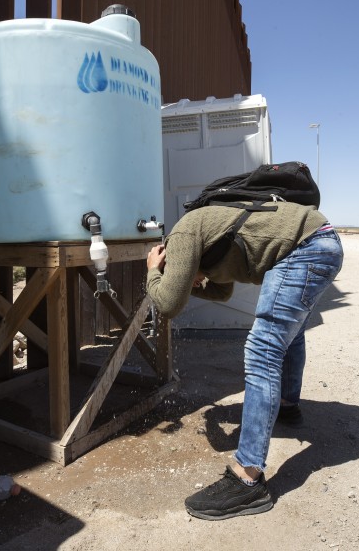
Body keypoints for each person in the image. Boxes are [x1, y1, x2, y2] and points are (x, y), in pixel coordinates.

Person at [145, 200, 343, 520]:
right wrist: (185, 283)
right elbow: (220, 294)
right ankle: (288, 407)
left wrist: (153, 272)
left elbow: (167, 303)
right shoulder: (207, 248)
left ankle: (247, 479)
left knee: (262, 349)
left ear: (176, 262)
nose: (193, 282)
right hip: (319, 241)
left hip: (305, 248)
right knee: (289, 335)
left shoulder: (181, 237)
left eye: (182, 276)